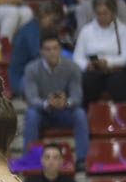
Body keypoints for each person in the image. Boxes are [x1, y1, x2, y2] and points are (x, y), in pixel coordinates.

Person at [23, 34, 89, 164]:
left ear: (60, 49)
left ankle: (82, 160)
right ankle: (30, 159)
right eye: (48, 49)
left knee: (80, 114)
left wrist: (66, 102)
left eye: (55, 48)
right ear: (41, 51)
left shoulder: (72, 67)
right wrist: (48, 103)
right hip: (43, 113)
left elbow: (77, 96)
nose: (52, 52)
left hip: (65, 111)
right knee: (31, 114)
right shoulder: (31, 69)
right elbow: (31, 99)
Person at [73, 0, 126, 106]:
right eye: (98, 13)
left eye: (105, 13)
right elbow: (77, 57)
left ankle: (122, 118)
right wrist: (87, 65)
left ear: (113, 12)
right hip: (93, 71)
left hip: (116, 71)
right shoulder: (86, 30)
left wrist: (108, 63)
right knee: (87, 81)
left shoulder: (123, 30)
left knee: (118, 82)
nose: (101, 17)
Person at [11, 2, 62, 98]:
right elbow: (41, 56)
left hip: (37, 74)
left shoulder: (43, 29)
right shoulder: (31, 30)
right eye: (51, 18)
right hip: (22, 77)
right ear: (44, 15)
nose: (52, 22)